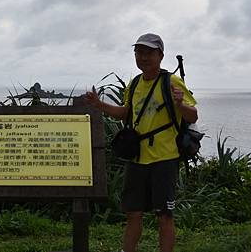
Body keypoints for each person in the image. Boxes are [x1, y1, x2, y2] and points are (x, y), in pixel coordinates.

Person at [85, 33, 198, 252]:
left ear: (160, 56)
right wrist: (100, 105)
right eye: (139, 52)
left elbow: (192, 116)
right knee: (132, 214)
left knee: (164, 215)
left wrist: (180, 104)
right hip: (137, 159)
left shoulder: (171, 81)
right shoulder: (135, 83)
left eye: (149, 53)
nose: (143, 57)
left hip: (165, 159)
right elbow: (125, 113)